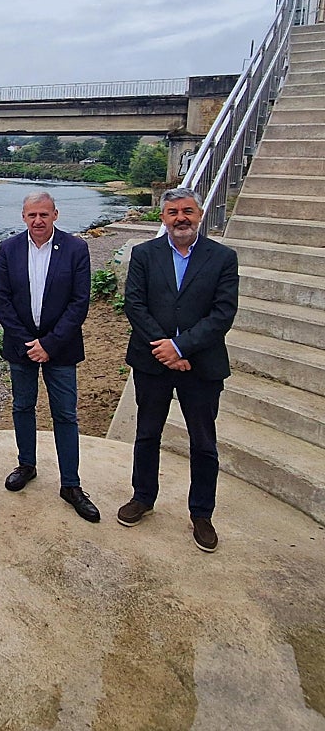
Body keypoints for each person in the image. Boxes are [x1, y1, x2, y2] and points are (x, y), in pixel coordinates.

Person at [118, 187, 239, 553]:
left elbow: (223, 313)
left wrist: (182, 346)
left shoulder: (222, 257)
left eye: (187, 210)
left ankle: (202, 513)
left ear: (199, 215)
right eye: (173, 212)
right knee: (147, 433)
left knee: (203, 443)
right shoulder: (144, 254)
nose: (180, 218)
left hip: (201, 365)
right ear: (163, 217)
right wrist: (166, 348)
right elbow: (135, 305)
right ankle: (143, 496)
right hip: (153, 362)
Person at [0, 192, 100, 522]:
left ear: (55, 214)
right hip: (22, 347)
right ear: (22, 217)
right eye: (31, 215)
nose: (38, 221)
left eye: (44, 214)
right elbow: (3, 301)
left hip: (62, 348)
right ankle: (27, 464)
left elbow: (79, 303)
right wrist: (30, 343)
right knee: (22, 406)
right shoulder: (9, 249)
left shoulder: (75, 248)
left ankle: (71, 484)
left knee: (65, 414)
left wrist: (50, 345)